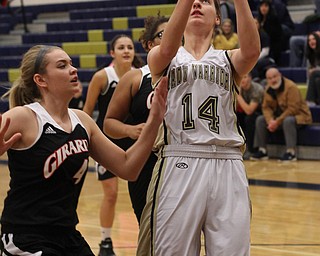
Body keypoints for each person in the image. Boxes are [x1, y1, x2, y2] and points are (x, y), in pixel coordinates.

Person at [0, 44, 167, 255]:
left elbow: (127, 168)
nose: (73, 69)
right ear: (40, 80)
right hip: (26, 237)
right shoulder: (24, 117)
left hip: (68, 235)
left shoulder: (82, 121)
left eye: (71, 63)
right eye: (62, 65)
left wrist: (154, 120)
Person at [137, 0, 260, 255]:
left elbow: (251, 52)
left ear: (217, 17)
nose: (196, 4)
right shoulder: (163, 56)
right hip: (179, 159)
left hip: (228, 163)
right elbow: (168, 46)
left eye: (205, 1)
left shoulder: (228, 59)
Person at [104, 15, 168, 225]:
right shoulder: (135, 78)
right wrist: (130, 131)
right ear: (150, 44)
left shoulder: (193, 73)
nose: (172, 38)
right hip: (147, 165)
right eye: (163, 34)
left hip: (187, 164)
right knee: (151, 233)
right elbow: (109, 123)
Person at [82, 34, 143, 256]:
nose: (126, 51)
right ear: (112, 53)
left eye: (129, 47)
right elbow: (87, 111)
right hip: (105, 142)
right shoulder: (102, 76)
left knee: (142, 191)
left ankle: (148, 235)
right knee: (111, 193)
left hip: (134, 140)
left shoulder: (141, 75)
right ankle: (106, 242)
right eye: (121, 47)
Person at [250, 67, 312, 162]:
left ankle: (291, 152)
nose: (273, 80)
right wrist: (270, 121)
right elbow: (265, 107)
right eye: (270, 78)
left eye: (274, 77)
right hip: (279, 118)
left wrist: (277, 122)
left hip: (300, 117)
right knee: (260, 119)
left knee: (288, 120)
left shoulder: (291, 87)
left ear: (280, 75)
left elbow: (293, 109)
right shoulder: (268, 89)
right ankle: (262, 150)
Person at [236, 72, 264, 159]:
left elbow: (249, 111)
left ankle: (251, 150)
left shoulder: (257, 89)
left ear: (250, 78)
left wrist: (238, 95)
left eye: (245, 77)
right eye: (241, 78)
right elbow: (234, 108)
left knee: (249, 119)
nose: (242, 80)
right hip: (244, 113)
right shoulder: (238, 87)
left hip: (259, 114)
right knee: (234, 117)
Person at [257, 0, 283, 65]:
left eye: (266, 6)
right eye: (262, 6)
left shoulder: (274, 19)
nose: (263, 8)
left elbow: (276, 37)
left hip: (272, 49)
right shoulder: (258, 19)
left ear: (269, 7)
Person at [305, 31, 320, 105]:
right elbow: (308, 76)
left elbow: (312, 72)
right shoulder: (309, 57)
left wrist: (316, 69)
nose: (311, 41)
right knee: (317, 81)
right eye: (309, 40)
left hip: (316, 73)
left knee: (314, 73)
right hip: (316, 77)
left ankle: (309, 101)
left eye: (313, 39)